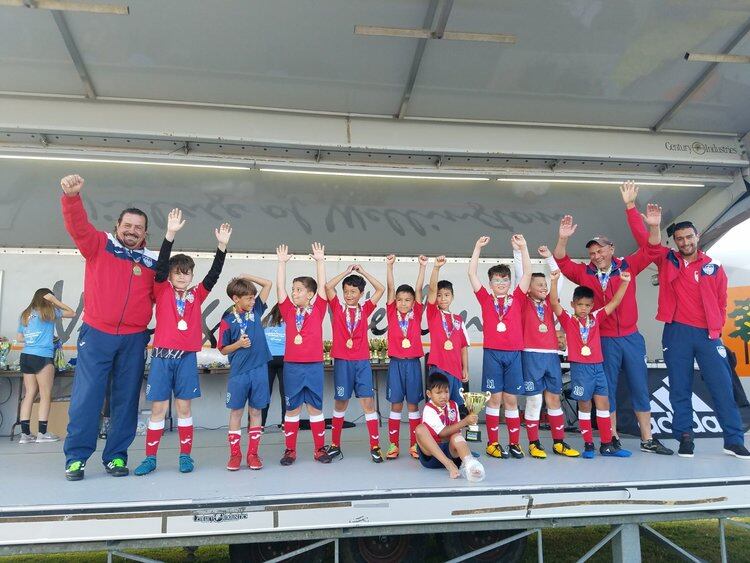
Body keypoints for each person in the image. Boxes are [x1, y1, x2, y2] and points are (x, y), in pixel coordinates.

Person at [551, 181, 672, 455]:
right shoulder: (585, 273)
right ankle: (612, 436)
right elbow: (561, 261)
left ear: (611, 249)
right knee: (608, 391)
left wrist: (648, 222)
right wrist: (563, 238)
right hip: (602, 340)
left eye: (601, 250)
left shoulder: (627, 265)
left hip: (630, 336)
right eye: (592, 252)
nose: (596, 255)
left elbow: (652, 250)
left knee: (641, 386)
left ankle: (647, 438)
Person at [60, 174, 157, 481]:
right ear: (118, 226)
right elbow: (78, 228)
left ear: (145, 233)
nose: (131, 231)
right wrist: (72, 199)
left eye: (138, 228)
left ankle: (116, 456)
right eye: (127, 226)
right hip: (97, 333)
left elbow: (164, 297)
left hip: (133, 338)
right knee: (87, 397)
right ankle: (76, 458)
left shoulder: (153, 261)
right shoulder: (99, 244)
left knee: (126, 401)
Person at [640, 203, 750, 459]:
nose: (685, 242)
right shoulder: (668, 261)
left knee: (722, 386)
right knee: (679, 387)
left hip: (708, 335)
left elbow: (722, 301)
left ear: (697, 236)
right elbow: (648, 244)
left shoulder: (714, 265)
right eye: (680, 239)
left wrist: (716, 327)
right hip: (677, 332)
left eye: (689, 237)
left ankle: (733, 440)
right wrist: (650, 223)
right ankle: (685, 439)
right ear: (675, 242)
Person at [134, 209, 231, 475]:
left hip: (186, 358)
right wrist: (170, 235)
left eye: (186, 273)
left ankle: (185, 456)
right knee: (158, 409)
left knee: (184, 407)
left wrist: (221, 247)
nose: (181, 276)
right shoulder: (162, 289)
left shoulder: (197, 295)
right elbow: (162, 264)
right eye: (177, 272)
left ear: (190, 276)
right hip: (162, 358)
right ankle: (150, 458)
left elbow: (214, 275)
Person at [549, 271, 633, 458]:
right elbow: (554, 303)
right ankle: (588, 444)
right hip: (580, 368)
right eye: (580, 305)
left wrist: (625, 282)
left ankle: (606, 444)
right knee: (585, 405)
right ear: (573, 305)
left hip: (598, 367)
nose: (584, 309)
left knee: (603, 404)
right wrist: (554, 281)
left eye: (587, 305)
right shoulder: (569, 320)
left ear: (592, 305)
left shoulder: (596, 317)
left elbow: (615, 303)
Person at [468, 235, 531, 460]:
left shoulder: (518, 298)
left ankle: (514, 443)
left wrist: (523, 248)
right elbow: (471, 274)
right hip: (492, 354)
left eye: (505, 280)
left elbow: (528, 274)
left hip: (514, 354)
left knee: (511, 401)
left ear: (509, 281)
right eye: (497, 280)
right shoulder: (485, 299)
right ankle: (493, 444)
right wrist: (477, 247)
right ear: (491, 283)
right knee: (494, 400)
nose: (501, 283)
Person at [516, 247, 579, 458]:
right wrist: (519, 251)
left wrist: (550, 259)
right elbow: (520, 275)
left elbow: (557, 280)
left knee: (553, 398)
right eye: (539, 284)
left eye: (545, 284)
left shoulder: (551, 304)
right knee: (534, 401)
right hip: (531, 354)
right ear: (528, 288)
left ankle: (558, 442)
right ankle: (534, 443)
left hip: (551, 355)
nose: (544, 288)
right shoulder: (523, 301)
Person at [276, 242, 331, 466]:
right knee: (293, 408)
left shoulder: (318, 309)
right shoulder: (288, 310)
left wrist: (320, 261)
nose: (294, 292)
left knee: (315, 408)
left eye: (299, 290)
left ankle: (319, 449)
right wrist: (281, 264)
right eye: (294, 289)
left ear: (310, 294)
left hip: (314, 365)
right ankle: (290, 450)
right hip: (292, 366)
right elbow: (280, 289)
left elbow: (323, 287)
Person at [324, 264, 385, 463]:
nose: (349, 295)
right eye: (346, 291)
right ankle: (334, 445)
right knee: (340, 402)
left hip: (362, 362)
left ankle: (375, 446)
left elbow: (380, 289)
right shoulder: (337, 307)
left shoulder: (365, 308)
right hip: (342, 361)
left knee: (367, 402)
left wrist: (362, 273)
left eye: (353, 292)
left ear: (360, 294)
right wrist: (347, 273)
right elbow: (327, 286)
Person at [218, 274, 273, 471]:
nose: (252, 300)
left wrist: (245, 276)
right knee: (237, 412)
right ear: (235, 299)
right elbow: (222, 349)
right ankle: (235, 455)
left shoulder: (256, 309)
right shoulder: (227, 320)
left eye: (253, 297)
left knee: (256, 411)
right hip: (239, 373)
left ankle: (253, 454)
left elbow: (268, 283)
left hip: (259, 370)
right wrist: (239, 344)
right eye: (248, 297)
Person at [16, 289, 76, 444]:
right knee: (45, 394)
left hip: (26, 356)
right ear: (47, 298)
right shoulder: (49, 310)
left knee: (29, 393)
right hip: (42, 355)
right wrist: (55, 302)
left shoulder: (25, 314)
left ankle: (25, 435)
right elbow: (72, 313)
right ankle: (42, 433)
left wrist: (34, 338)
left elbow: (19, 337)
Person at [384, 254, 427, 460]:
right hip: (395, 364)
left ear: (413, 303)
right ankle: (393, 445)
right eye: (400, 300)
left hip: (412, 364)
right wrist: (389, 266)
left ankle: (414, 445)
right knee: (395, 406)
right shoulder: (391, 312)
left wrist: (422, 267)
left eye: (407, 300)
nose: (402, 303)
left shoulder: (417, 313)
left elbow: (419, 290)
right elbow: (390, 289)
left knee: (412, 405)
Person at [414, 372, 485, 481]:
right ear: (429, 394)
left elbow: (456, 431)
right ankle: (449, 465)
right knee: (420, 429)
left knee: (457, 436)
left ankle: (470, 464)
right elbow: (442, 433)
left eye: (446, 391)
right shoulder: (429, 409)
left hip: (451, 452)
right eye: (438, 393)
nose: (443, 396)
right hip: (432, 456)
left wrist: (467, 422)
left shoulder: (453, 405)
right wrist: (465, 421)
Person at [426, 256, 470, 409]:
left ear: (452, 296)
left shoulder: (458, 319)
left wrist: (465, 368)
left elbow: (463, 346)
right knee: (438, 405)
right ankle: (438, 433)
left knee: (455, 406)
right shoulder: (433, 314)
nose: (443, 298)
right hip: (439, 368)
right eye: (439, 295)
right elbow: (431, 290)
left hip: (456, 370)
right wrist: (436, 268)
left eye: (446, 295)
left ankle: (454, 433)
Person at [261, 304, 286, 428]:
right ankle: (286, 423)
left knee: (264, 393)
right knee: (285, 393)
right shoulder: (289, 321)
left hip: (268, 359)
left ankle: (259, 425)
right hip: (284, 359)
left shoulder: (266, 321)